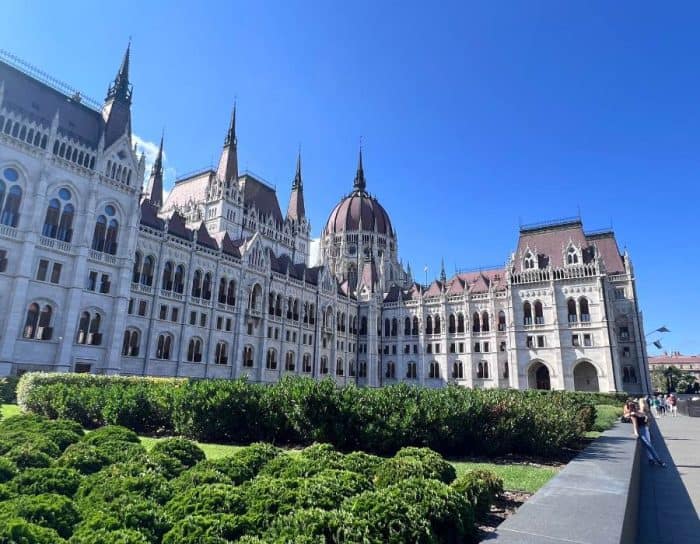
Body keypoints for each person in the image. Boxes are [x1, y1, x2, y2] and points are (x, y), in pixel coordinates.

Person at [624, 400, 666, 467]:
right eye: (631, 405)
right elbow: (635, 424)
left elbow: (644, 416)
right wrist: (636, 433)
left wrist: (645, 417)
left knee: (649, 445)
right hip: (641, 430)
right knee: (649, 445)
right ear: (629, 407)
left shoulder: (637, 412)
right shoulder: (633, 414)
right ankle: (659, 461)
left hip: (645, 429)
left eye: (634, 405)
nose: (634, 406)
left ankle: (652, 460)